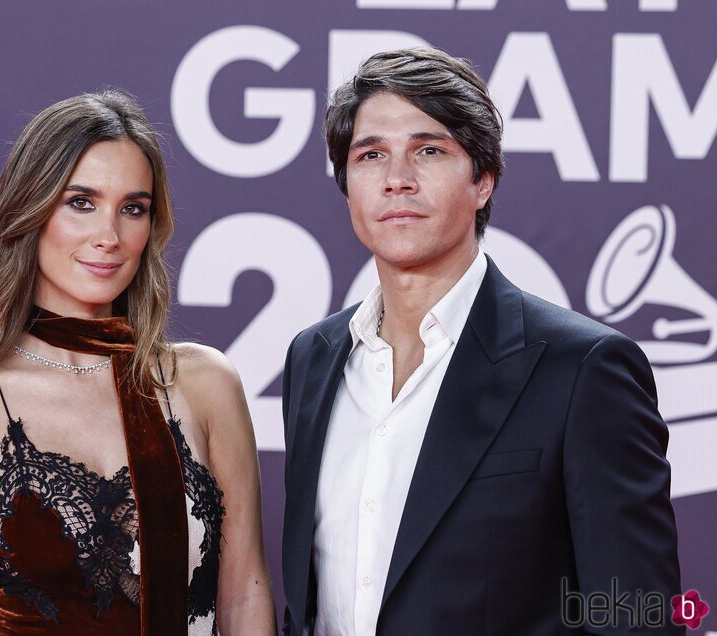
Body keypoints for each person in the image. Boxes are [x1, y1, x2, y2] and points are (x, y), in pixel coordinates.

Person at [281, 48, 681, 634]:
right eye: (371, 155)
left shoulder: (582, 370)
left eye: (430, 150)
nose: (397, 179)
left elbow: (637, 615)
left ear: (483, 180)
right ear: (347, 185)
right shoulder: (311, 359)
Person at [0, 90, 276, 635]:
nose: (109, 237)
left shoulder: (205, 383)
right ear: (31, 210)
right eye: (81, 203)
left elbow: (245, 595)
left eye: (133, 209)